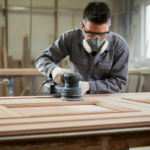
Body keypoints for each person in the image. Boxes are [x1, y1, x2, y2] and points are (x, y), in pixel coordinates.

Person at [35, 1, 129, 96]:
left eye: (102, 34)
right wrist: (53, 70)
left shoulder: (120, 46)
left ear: (108, 27)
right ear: (82, 27)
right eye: (91, 34)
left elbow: (118, 82)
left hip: (109, 99)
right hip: (78, 98)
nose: (97, 39)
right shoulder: (70, 38)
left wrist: (88, 86)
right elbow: (42, 59)